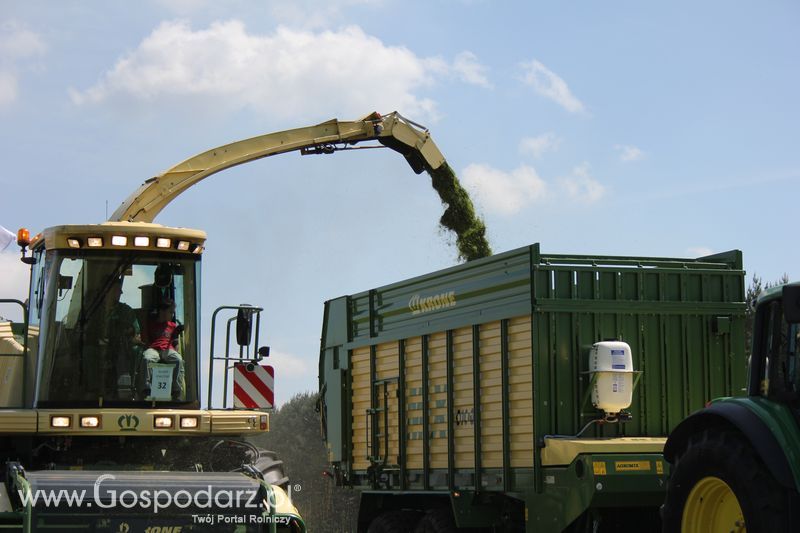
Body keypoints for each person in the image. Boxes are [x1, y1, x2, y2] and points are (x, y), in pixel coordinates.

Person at [139, 298, 185, 400]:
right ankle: (146, 388)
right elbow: (146, 340)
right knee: (147, 358)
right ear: (162, 311)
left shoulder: (173, 326)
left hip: (168, 349)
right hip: (154, 348)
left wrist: (176, 350)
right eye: (170, 312)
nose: (172, 315)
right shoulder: (151, 324)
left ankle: (176, 389)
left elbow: (175, 342)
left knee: (178, 360)